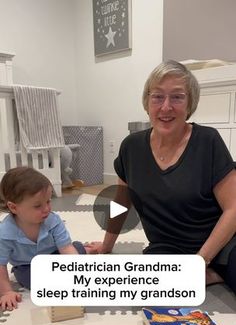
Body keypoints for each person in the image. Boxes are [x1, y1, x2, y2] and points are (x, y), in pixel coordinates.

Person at [88, 60, 236, 293]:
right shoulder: (131, 147)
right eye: (158, 97)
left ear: (190, 104)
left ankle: (211, 273)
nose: (166, 107)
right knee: (141, 288)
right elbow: (121, 202)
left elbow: (233, 208)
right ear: (147, 102)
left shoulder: (208, 140)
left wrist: (200, 261)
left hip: (222, 245)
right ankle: (209, 277)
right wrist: (106, 246)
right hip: (167, 249)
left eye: (177, 97)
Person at [0, 167, 93, 311]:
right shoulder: (5, 233)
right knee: (31, 279)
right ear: (13, 208)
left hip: (54, 256)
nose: (46, 209)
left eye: (48, 201)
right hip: (27, 266)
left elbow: (66, 249)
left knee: (77, 249)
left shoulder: (53, 221)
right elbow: (1, 265)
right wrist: (6, 292)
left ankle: (85, 249)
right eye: (37, 206)